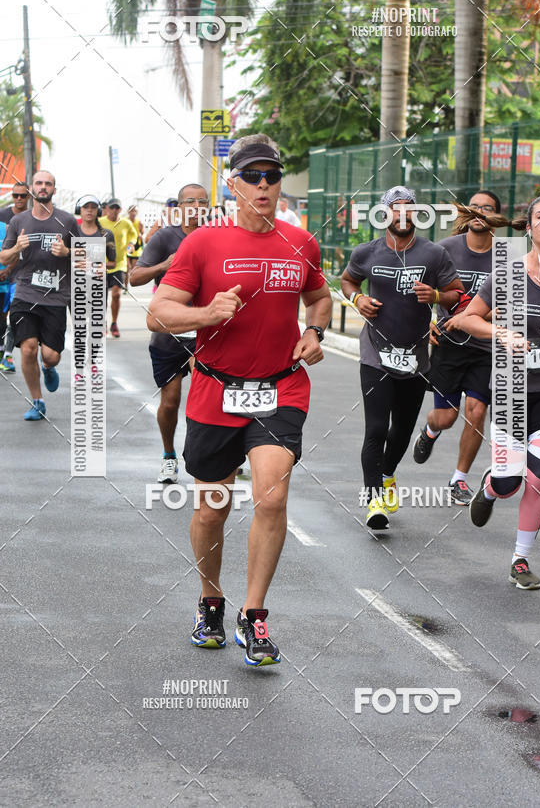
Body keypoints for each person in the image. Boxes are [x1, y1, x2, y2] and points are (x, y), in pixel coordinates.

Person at [147, 133, 331, 666]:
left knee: (271, 497)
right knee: (213, 508)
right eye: (252, 175)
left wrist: (315, 332)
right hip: (215, 389)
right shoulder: (203, 243)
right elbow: (158, 312)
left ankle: (254, 616)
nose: (264, 184)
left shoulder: (301, 243)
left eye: (272, 175)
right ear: (232, 185)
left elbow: (318, 296)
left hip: (280, 386)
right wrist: (206, 315)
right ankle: (210, 599)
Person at [447, 195, 540, 589]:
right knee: (511, 482)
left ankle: (521, 559)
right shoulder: (509, 275)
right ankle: (491, 488)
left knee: (539, 480)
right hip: (512, 390)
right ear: (528, 228)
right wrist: (502, 333)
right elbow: (467, 318)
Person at [340, 185, 464, 530]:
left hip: (415, 359)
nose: (404, 214)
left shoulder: (434, 254)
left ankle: (388, 472)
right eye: (397, 208)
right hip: (375, 355)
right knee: (376, 428)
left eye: (410, 208)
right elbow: (348, 280)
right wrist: (356, 300)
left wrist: (437, 294)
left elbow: (457, 294)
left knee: (402, 431)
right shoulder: (368, 252)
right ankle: (374, 500)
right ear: (384, 214)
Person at [413, 191, 526, 504]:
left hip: (486, 348)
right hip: (448, 344)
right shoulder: (445, 249)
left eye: (488, 208)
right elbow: (422, 293)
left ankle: (460, 478)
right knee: (446, 417)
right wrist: (427, 325)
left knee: (477, 413)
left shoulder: (509, 256)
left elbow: (508, 308)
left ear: (496, 218)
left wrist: (473, 317)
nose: (480, 212)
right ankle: (430, 431)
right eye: (475, 206)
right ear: (466, 213)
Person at [130, 183, 208, 484]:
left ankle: (213, 455)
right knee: (172, 399)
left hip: (205, 332)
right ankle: (168, 456)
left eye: (203, 202)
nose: (197, 207)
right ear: (179, 206)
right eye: (191, 201)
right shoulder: (165, 236)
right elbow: (134, 277)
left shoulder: (217, 235)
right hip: (169, 333)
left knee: (206, 397)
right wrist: (166, 263)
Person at [0, 170, 79, 420]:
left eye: (48, 184)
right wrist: (16, 248)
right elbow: (3, 257)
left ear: (54, 190)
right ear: (32, 189)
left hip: (56, 297)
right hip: (25, 292)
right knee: (28, 348)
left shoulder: (67, 221)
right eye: (39, 183)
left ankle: (48, 367)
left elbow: (87, 256)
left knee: (51, 355)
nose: (43, 187)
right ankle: (37, 401)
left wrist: (67, 252)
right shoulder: (18, 222)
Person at [0, 181, 29, 372]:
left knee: (16, 315)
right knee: (3, 316)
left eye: (23, 196)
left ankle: (8, 356)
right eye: (15, 195)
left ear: (29, 197)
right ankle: (3, 351)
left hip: (22, 275)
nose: (19, 199)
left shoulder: (34, 217)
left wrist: (9, 269)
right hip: (3, 275)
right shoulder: (2, 215)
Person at [99, 198, 137, 338]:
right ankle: (102, 322)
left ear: (120, 210)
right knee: (101, 297)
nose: (114, 210)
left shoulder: (125, 223)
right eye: (112, 207)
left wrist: (131, 244)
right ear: (107, 208)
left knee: (116, 294)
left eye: (117, 208)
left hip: (119, 264)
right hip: (102, 264)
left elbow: (133, 235)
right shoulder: (100, 222)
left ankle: (114, 323)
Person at [126, 205, 144, 288]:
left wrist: (141, 233)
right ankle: (125, 286)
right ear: (128, 212)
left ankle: (131, 282)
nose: (133, 213)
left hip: (136, 247)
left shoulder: (139, 222)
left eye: (135, 211)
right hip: (127, 246)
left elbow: (142, 233)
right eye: (132, 211)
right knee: (126, 267)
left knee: (133, 268)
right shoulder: (125, 221)